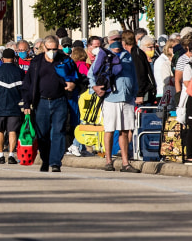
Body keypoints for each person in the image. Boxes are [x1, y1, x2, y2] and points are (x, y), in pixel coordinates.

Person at [23, 35, 78, 172]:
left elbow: (78, 77)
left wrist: (73, 84)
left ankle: (55, 163)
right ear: (43, 47)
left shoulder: (65, 60)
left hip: (60, 101)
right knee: (43, 134)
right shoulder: (36, 62)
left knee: (58, 131)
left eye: (55, 48)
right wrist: (26, 104)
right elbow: (28, 84)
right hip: (41, 102)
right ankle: (45, 159)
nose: (52, 51)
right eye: (49, 49)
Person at [88, 39, 141, 173]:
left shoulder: (127, 56)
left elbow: (134, 75)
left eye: (119, 39)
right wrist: (95, 87)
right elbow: (91, 73)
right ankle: (108, 161)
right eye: (114, 39)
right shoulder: (104, 55)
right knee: (110, 130)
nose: (117, 43)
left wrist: (135, 92)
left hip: (127, 98)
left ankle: (125, 163)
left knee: (125, 130)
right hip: (111, 98)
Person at [0, 49, 25, 164]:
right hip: (15, 107)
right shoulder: (20, 72)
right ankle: (12, 155)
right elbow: (24, 91)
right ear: (14, 59)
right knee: (12, 131)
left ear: (2, 59)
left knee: (0, 130)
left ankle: (0, 154)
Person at [123, 30, 156, 105]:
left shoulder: (136, 54)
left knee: (144, 116)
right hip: (139, 92)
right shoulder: (133, 52)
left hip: (143, 93)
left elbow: (140, 75)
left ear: (124, 43)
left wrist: (140, 94)